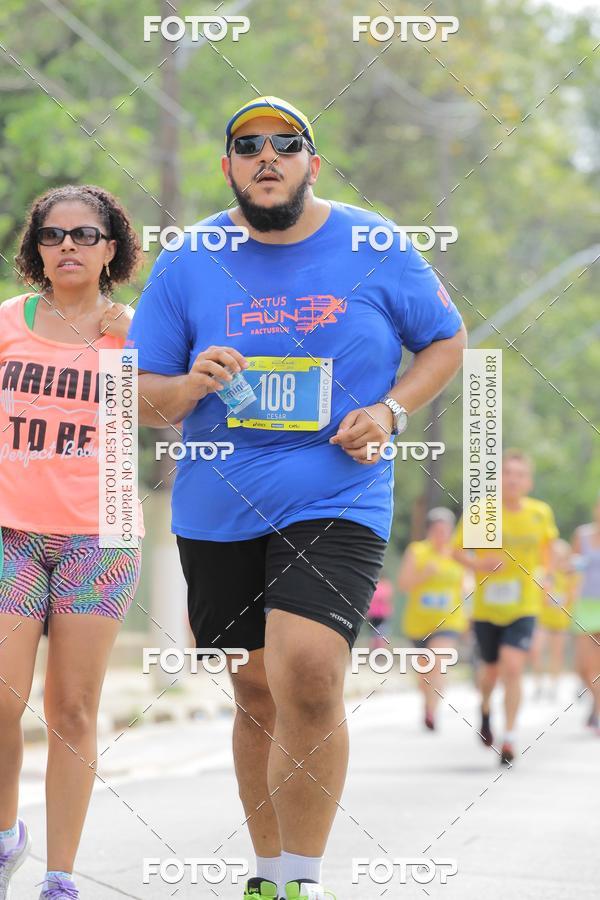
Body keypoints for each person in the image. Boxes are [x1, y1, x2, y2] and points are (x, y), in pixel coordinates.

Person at [127, 95, 466, 900]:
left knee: (310, 675)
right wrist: (187, 384)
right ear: (229, 167)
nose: (267, 156)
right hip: (218, 502)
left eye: (286, 143)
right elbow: (137, 393)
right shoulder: (189, 258)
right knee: (254, 690)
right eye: (248, 145)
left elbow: (446, 339)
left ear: (312, 161)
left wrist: (390, 410)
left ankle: (302, 882)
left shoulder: (375, 243)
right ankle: (268, 871)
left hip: (337, 493)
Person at [0, 185, 143, 900]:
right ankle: (5, 837)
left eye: (85, 235)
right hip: (10, 530)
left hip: (102, 535)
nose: (68, 247)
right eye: (54, 236)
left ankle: (60, 875)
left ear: (110, 248)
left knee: (74, 708)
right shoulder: (7, 323)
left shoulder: (132, 333)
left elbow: (168, 408)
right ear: (37, 248)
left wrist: (137, 345)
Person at [453, 449, 558, 764]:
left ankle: (510, 737)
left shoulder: (540, 513)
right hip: (487, 608)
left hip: (524, 604)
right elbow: (456, 552)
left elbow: (548, 550)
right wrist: (479, 564)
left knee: (513, 667)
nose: (513, 480)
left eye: (519, 474)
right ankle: (485, 709)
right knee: (490, 673)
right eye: (507, 473)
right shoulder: (481, 511)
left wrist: (548, 576)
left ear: (529, 481)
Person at [398, 508, 467, 730]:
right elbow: (404, 584)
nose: (442, 534)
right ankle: (426, 704)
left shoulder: (458, 553)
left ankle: (432, 712)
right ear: (428, 531)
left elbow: (468, 582)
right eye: (437, 530)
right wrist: (423, 574)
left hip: (449, 620)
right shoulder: (417, 551)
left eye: (446, 530)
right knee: (424, 671)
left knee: (437, 662)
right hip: (418, 623)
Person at [531, 539, 577, 701]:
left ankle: (554, 685)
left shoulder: (570, 575)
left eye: (559, 555)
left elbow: (572, 597)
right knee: (536, 650)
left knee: (556, 654)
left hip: (561, 620)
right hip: (542, 619)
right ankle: (538, 684)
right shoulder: (542, 573)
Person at [571, 497, 600, 733]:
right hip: (585, 606)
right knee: (582, 668)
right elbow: (571, 569)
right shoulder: (582, 535)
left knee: (595, 667)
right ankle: (596, 701)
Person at [365, 577, 394, 649]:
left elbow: (387, 598)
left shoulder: (387, 586)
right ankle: (375, 649)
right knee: (373, 633)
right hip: (373, 614)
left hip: (383, 614)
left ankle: (380, 650)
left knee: (382, 632)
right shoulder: (375, 585)